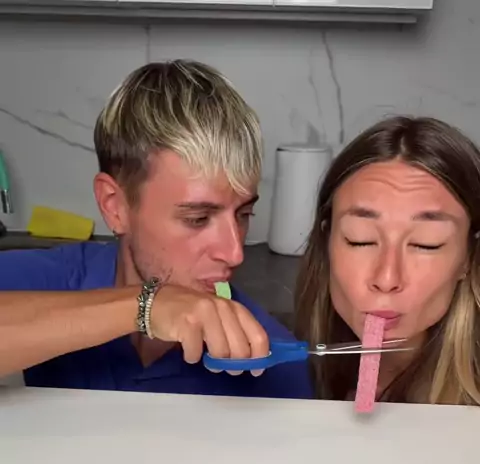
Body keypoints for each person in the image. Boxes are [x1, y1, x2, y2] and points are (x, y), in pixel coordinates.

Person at [0, 60, 312, 399]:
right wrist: (144, 306)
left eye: (244, 214)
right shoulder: (54, 281)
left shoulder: (272, 363)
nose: (234, 253)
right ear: (115, 206)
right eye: (197, 218)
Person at [294, 115, 480, 405]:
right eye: (360, 239)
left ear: (468, 257)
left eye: (426, 243)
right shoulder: (283, 368)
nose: (386, 278)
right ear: (327, 241)